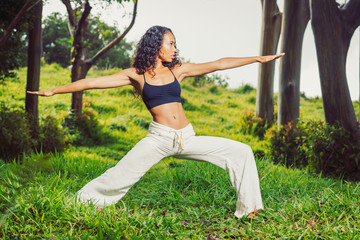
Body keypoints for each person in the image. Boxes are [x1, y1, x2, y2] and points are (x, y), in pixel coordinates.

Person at [28, 25, 284, 218]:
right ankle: (82, 202)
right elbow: (91, 83)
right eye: (170, 44)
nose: (174, 49)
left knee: (241, 151)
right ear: (156, 46)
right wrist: (54, 90)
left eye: (175, 45)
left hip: (187, 138)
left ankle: (249, 209)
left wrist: (257, 59)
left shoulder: (178, 69)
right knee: (118, 176)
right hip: (159, 139)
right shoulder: (136, 75)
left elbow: (217, 64)